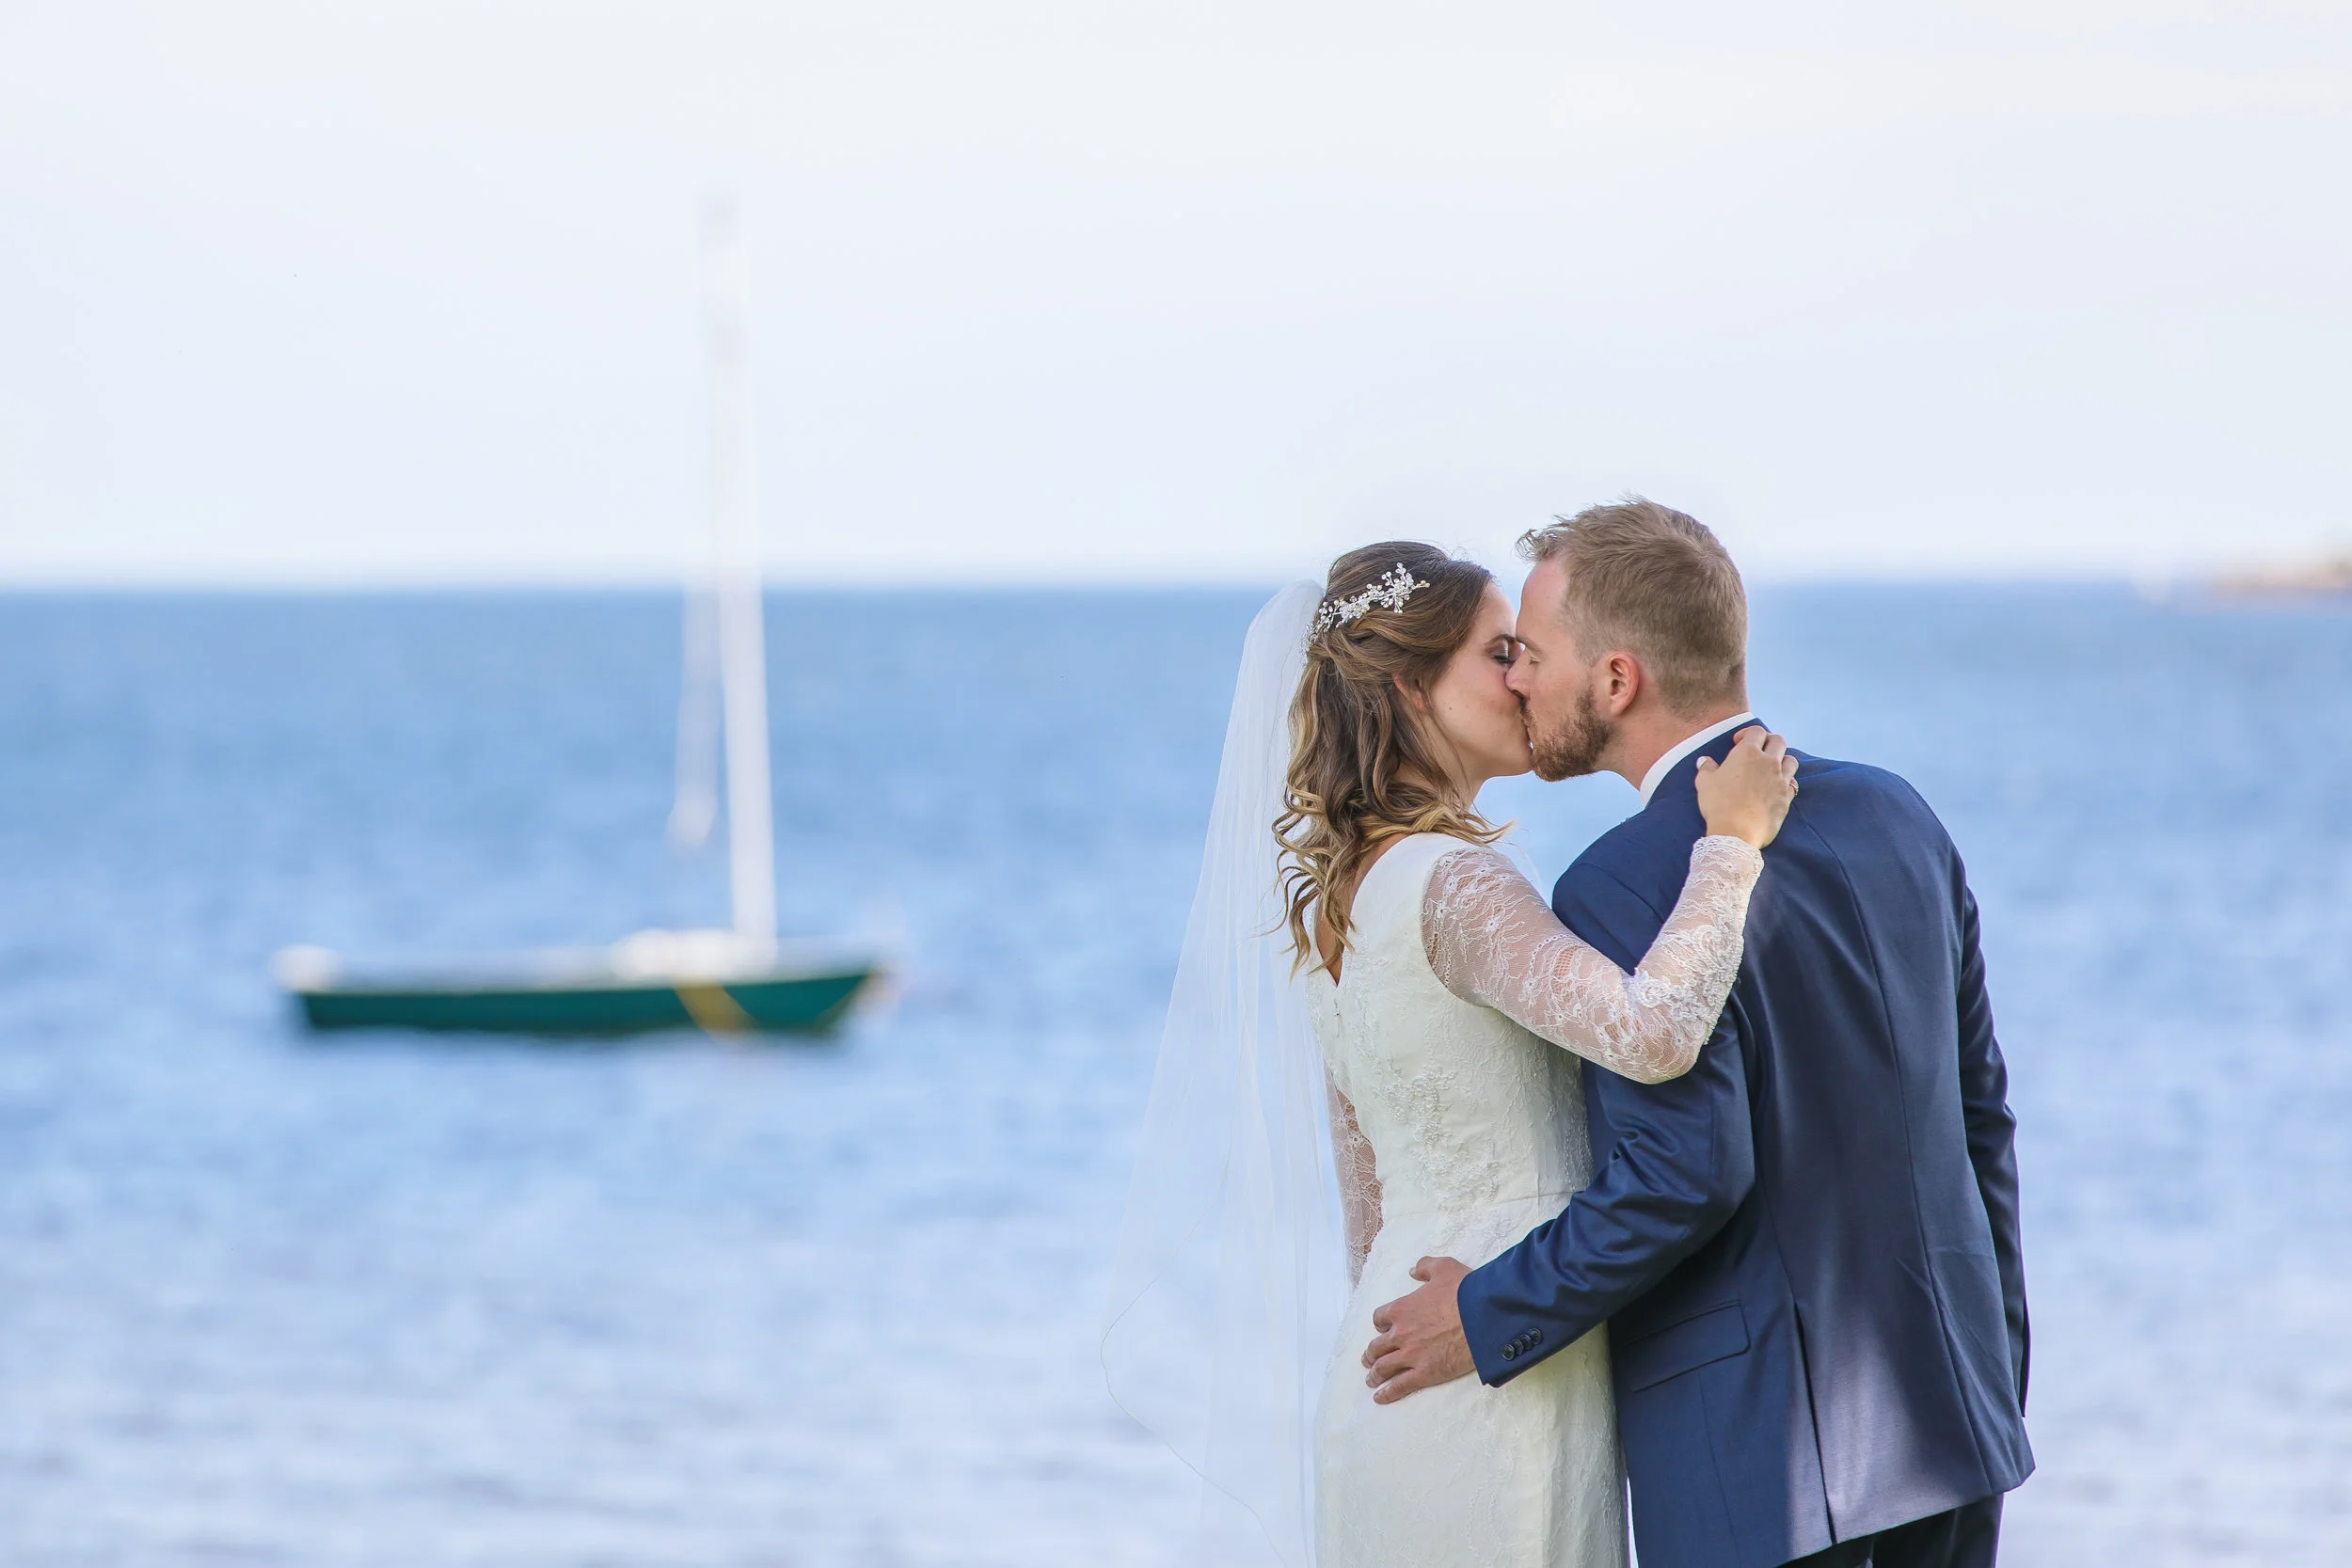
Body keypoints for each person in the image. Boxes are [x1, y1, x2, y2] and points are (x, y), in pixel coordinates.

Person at [1361, 499, 2032, 1568]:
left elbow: (1685, 1173)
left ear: (1617, 679)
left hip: (1758, 1462)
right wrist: (1993, 1372)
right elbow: (1981, 1120)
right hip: (1954, 1423)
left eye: (1529, 652)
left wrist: (1485, 1310)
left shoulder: (1622, 883)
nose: (1518, 678)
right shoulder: (1897, 812)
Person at [1103, 540, 1797, 1568]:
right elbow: (1651, 1032)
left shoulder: (1335, 909)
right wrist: (1730, 846)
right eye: (1498, 651)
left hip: (1391, 1364)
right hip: (1493, 1366)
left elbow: (1367, 1202)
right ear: (1408, 690)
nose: (1523, 675)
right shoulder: (1456, 883)